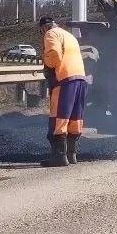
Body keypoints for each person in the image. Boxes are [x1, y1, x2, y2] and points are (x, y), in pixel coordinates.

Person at [38, 17, 87, 167]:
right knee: (74, 118)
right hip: (80, 79)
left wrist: (47, 64)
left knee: (59, 117)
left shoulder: (51, 34)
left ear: (44, 28)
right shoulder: (69, 35)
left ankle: (59, 156)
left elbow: (53, 56)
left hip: (64, 79)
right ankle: (72, 154)